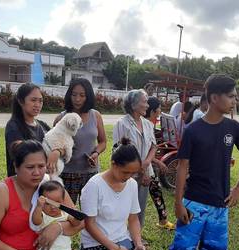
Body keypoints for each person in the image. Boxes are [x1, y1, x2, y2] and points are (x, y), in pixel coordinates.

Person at [161, 74, 239, 250]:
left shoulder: (233, 127)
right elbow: (182, 167)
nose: (235, 100)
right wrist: (178, 201)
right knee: (181, 246)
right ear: (214, 97)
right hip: (194, 201)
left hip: (220, 204)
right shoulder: (193, 130)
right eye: (231, 96)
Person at [80, 138, 162, 250]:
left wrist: (138, 243)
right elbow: (89, 225)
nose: (129, 177)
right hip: (96, 247)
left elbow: (133, 219)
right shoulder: (94, 185)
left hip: (123, 242)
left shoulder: (131, 184)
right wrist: (116, 249)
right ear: (113, 164)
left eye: (133, 173)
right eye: (125, 172)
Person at [53, 78, 106, 203]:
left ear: (88, 96)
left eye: (82, 95)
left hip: (90, 173)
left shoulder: (95, 116)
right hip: (66, 174)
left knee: (91, 214)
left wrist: (96, 153)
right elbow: (52, 146)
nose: (77, 99)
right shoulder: (61, 118)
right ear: (69, 95)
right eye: (74, 94)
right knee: (66, 214)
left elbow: (103, 142)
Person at [113, 89, 157, 227]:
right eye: (144, 102)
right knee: (123, 208)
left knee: (140, 207)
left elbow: (153, 147)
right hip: (127, 174)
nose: (148, 105)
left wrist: (147, 163)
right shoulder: (122, 124)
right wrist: (140, 168)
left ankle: (137, 239)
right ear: (133, 105)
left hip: (145, 174)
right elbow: (118, 150)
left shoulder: (148, 124)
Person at [5, 83, 52, 177]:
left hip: (41, 181)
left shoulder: (43, 125)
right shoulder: (14, 126)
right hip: (22, 183)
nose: (37, 105)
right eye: (33, 100)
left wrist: (57, 152)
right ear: (21, 101)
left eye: (40, 101)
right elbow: (21, 155)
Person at [145, 97, 175, 230]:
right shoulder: (146, 125)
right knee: (155, 192)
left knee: (156, 192)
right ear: (153, 111)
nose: (160, 112)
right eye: (159, 109)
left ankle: (163, 221)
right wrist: (158, 162)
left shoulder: (149, 124)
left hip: (148, 168)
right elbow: (143, 151)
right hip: (143, 169)